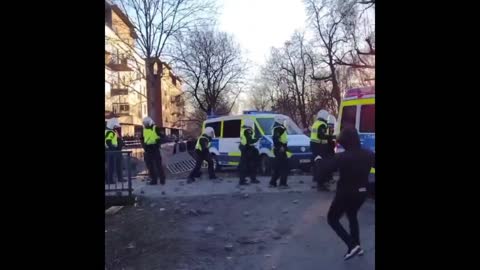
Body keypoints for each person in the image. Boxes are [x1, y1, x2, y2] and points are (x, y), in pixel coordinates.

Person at [318, 127, 375, 260]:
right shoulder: (368, 154)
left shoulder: (342, 157)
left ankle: (351, 244)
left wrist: (318, 160)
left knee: (332, 218)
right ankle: (357, 247)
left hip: (345, 193)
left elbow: (324, 172)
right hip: (362, 193)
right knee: (352, 215)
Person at [141, 117, 166, 185]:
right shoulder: (144, 130)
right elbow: (142, 139)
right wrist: (144, 146)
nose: (145, 125)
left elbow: (163, 136)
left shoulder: (156, 128)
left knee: (158, 165)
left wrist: (158, 142)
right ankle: (153, 180)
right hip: (148, 149)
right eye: (144, 124)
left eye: (146, 123)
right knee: (150, 166)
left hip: (155, 148)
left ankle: (162, 179)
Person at [310, 109, 331, 191]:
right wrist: (331, 137)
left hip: (315, 146)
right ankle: (321, 184)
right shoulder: (322, 124)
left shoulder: (316, 123)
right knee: (321, 165)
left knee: (317, 164)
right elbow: (321, 136)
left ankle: (317, 180)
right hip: (320, 147)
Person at [269, 117, 292, 188]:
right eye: (283, 121)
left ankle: (273, 182)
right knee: (284, 167)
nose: (283, 122)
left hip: (279, 149)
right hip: (280, 149)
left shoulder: (277, 128)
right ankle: (282, 183)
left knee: (278, 167)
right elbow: (276, 139)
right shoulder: (278, 128)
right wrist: (280, 146)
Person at [238, 118, 260, 185]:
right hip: (247, 149)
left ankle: (245, 179)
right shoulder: (247, 131)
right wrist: (257, 139)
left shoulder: (244, 130)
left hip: (245, 149)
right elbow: (250, 141)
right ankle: (247, 179)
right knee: (249, 165)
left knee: (246, 165)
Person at [105, 118, 124, 184]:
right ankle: (110, 180)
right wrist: (113, 147)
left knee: (109, 166)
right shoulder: (111, 132)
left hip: (110, 150)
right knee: (111, 166)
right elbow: (108, 141)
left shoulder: (108, 131)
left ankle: (109, 180)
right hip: (112, 151)